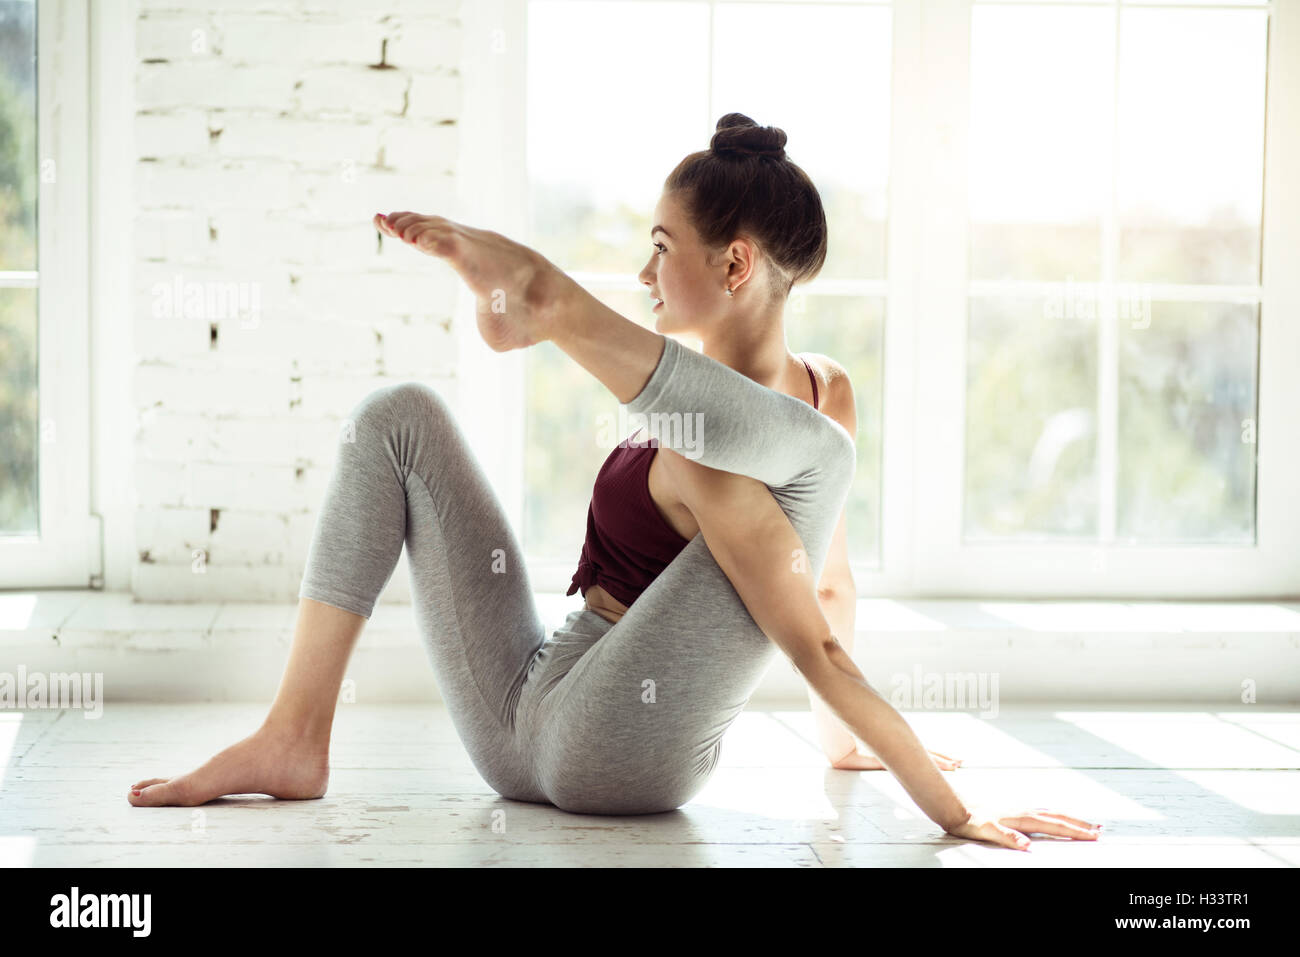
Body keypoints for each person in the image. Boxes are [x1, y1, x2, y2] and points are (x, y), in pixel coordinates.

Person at [128, 114, 1099, 851]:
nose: (645, 270)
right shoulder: (755, 420)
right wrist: (860, 749)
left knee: (795, 455)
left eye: (662, 248)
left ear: (734, 262)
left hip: (616, 747)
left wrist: (943, 805)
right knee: (397, 416)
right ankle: (293, 738)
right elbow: (821, 597)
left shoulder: (771, 436)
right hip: (525, 711)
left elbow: (821, 614)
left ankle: (546, 307)